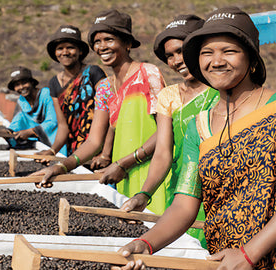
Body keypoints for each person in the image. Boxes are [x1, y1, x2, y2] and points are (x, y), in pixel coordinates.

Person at [116, 7, 276, 270]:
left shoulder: (272, 108)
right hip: (224, 261)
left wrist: (249, 253)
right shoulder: (199, 127)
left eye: (229, 51)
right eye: (206, 53)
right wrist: (146, 244)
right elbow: (184, 204)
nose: (216, 61)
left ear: (252, 58)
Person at [32, 9, 167, 216]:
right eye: (97, 41)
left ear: (127, 43)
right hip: (124, 177)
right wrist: (61, 167)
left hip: (154, 177)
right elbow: (94, 141)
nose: (101, 46)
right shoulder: (104, 87)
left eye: (109, 39)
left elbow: (166, 131)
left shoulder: (147, 74)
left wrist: (123, 162)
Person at [119, 15, 220, 248]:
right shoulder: (169, 96)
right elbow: (163, 152)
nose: (176, 60)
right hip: (182, 192)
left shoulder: (223, 91)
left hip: (219, 194)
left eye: (182, 50)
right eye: (170, 56)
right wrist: (145, 193)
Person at [35, 24, 106, 158]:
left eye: (70, 48)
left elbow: (109, 113)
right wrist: (53, 151)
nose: (65, 52)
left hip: (99, 151)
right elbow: (63, 125)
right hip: (74, 152)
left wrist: (105, 154)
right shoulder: (54, 83)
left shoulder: (94, 73)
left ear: (80, 51)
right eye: (60, 48)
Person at [0, 66, 58, 149]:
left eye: (24, 82)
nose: (21, 87)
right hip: (38, 145)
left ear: (32, 82)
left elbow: (53, 122)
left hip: (55, 144)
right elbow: (17, 123)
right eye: (17, 85)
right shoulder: (22, 101)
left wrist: (30, 132)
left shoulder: (46, 95)